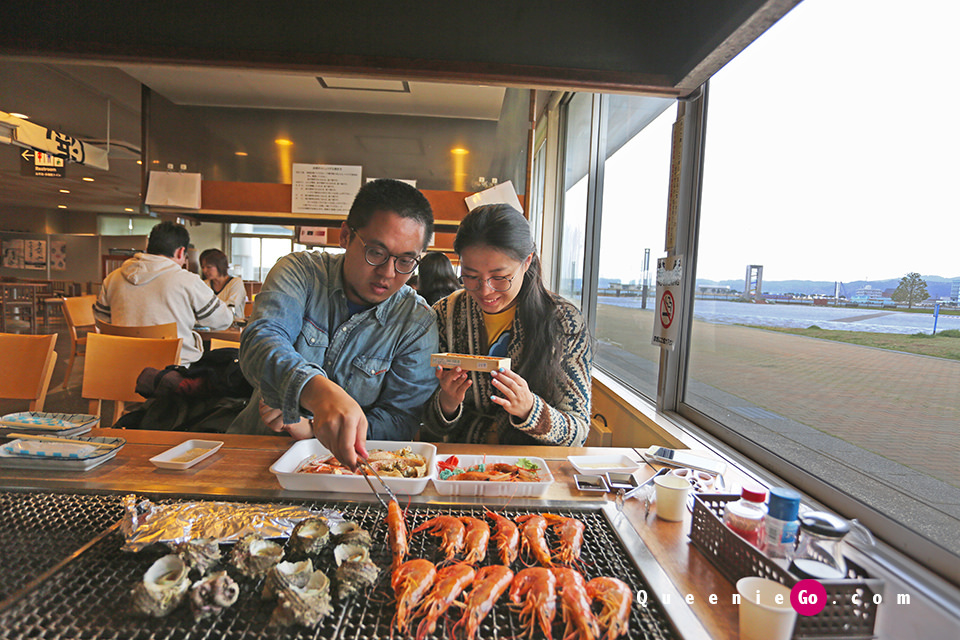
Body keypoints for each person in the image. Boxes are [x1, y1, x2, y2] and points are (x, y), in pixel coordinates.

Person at [229, 179, 439, 468]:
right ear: (345, 235)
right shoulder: (300, 272)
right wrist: (315, 391)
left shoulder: (416, 321)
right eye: (376, 252)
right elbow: (261, 340)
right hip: (254, 455)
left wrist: (313, 430)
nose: (388, 273)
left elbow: (401, 418)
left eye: (406, 261)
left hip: (349, 471)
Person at [423, 204, 592, 446]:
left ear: (526, 262)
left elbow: (579, 431)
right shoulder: (444, 314)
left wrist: (531, 409)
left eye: (500, 277)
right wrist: (447, 403)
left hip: (534, 467)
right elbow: (424, 419)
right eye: (470, 276)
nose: (485, 290)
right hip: (461, 462)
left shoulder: (563, 321)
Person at [94, 221, 234, 365]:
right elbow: (222, 321)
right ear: (181, 252)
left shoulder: (113, 278)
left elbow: (101, 320)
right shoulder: (187, 280)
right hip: (174, 371)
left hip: (121, 365)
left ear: (148, 248)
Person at [200, 248, 247, 319]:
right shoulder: (204, 284)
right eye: (203, 267)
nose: (204, 270)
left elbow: (231, 308)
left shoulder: (236, 282)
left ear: (220, 266)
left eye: (209, 267)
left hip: (233, 326)